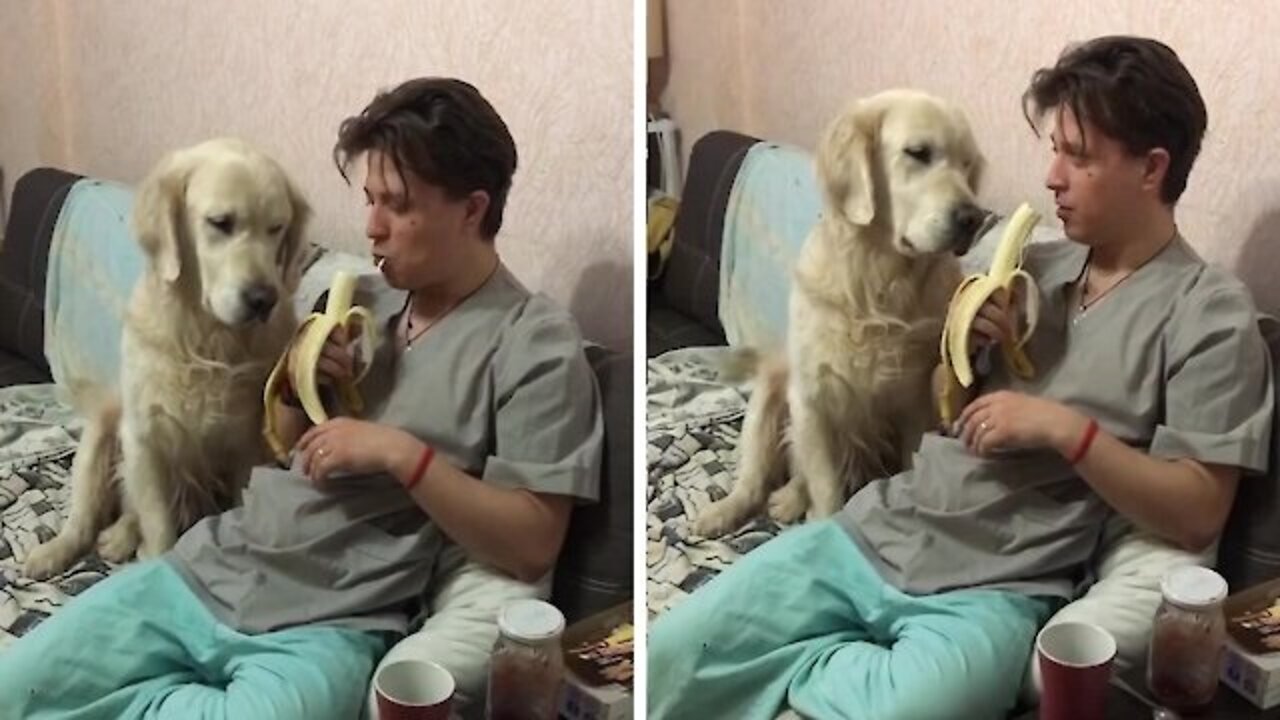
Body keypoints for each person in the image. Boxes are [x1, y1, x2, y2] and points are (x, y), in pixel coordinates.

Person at [648, 35, 1273, 720]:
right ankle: (809, 660)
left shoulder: (1209, 314)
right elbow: (946, 419)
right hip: (878, 528)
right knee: (666, 660)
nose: (1052, 178)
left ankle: (796, 668)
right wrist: (962, 359)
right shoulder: (1033, 265)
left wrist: (1069, 432)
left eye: (1078, 155)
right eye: (1052, 150)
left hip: (1001, 581)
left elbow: (1198, 509)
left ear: (1152, 169)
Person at [0, 77, 603, 720]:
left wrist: (405, 457)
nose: (370, 228)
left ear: (472, 209)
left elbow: (533, 541)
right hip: (210, 563)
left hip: (333, 619)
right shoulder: (361, 299)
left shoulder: (534, 342)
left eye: (395, 206)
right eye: (367, 199)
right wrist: (297, 382)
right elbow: (281, 445)